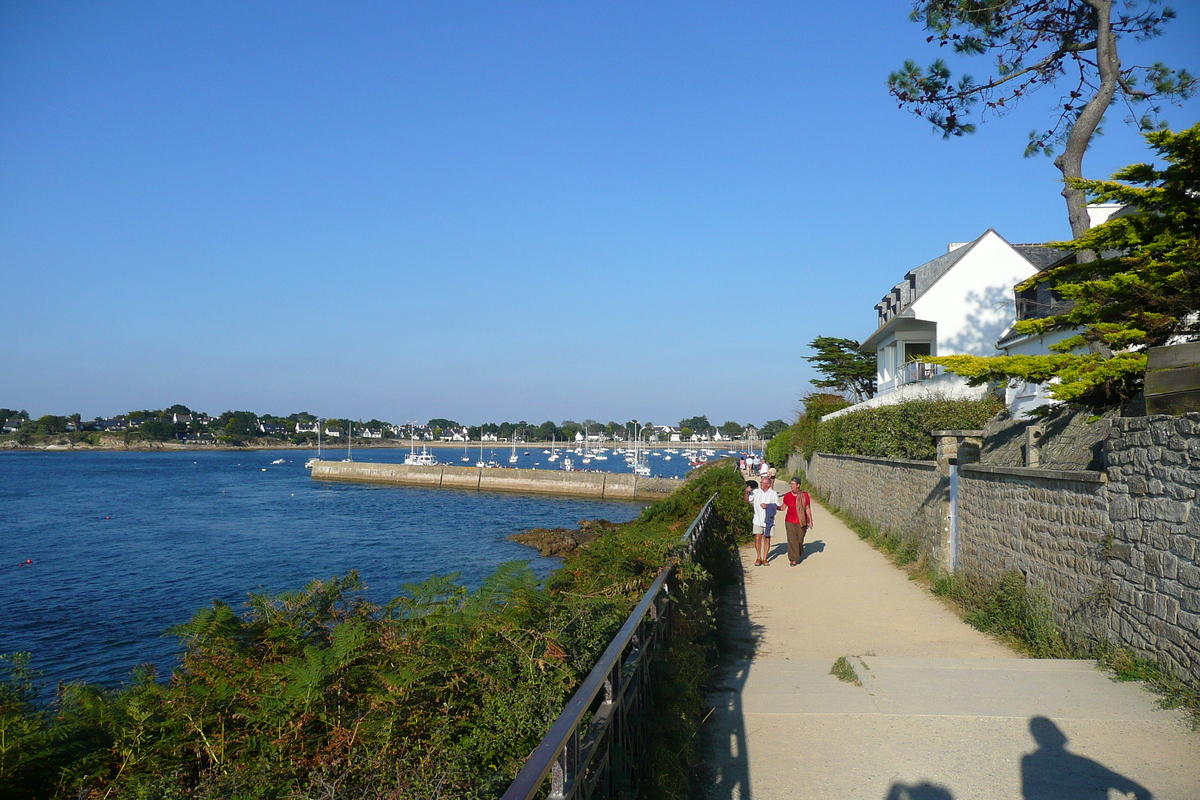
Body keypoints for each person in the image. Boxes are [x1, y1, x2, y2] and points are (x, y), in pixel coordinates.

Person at [747, 474, 779, 566]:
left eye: (763, 483)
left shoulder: (773, 494)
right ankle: (758, 557)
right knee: (757, 538)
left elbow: (776, 506)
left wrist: (767, 506)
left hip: (768, 520)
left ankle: (765, 558)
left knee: (767, 539)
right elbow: (747, 500)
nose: (761, 484)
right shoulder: (756, 492)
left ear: (768, 484)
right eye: (761, 482)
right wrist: (747, 492)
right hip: (757, 519)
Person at [781, 477, 812, 566]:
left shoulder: (804, 495)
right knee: (792, 540)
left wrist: (810, 520)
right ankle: (793, 559)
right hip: (790, 520)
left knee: (799, 540)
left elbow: (807, 508)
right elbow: (783, 507)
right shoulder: (788, 495)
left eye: (793, 484)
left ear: (798, 485)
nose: (791, 486)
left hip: (801, 521)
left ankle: (798, 551)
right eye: (791, 484)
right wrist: (772, 507)